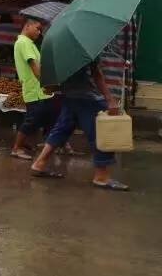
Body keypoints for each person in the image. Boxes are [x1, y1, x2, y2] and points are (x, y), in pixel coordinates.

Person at [30, 57, 129, 191]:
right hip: (89, 98)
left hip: (70, 96)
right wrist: (110, 99)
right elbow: (97, 74)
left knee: (61, 129)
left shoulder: (59, 52)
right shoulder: (86, 50)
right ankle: (101, 177)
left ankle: (39, 163)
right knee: (100, 134)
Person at [10, 16, 57, 160]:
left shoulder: (28, 43)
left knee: (44, 118)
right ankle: (16, 148)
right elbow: (34, 66)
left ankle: (30, 143)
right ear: (27, 27)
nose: (39, 32)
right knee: (31, 120)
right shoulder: (24, 43)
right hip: (35, 89)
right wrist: (46, 84)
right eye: (37, 28)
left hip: (38, 90)